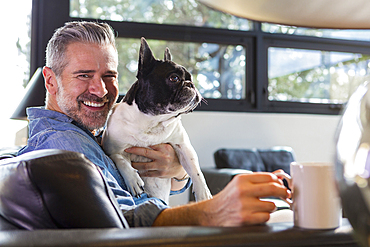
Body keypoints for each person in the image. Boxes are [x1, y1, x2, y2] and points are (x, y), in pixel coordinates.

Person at [18, 21, 291, 228]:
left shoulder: (90, 135)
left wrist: (177, 170)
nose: (100, 90)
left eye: (109, 75)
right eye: (84, 75)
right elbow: (126, 220)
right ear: (51, 81)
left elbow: (142, 190)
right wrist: (215, 209)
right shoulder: (64, 146)